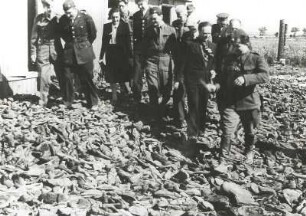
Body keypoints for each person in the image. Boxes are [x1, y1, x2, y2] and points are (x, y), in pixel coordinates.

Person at [213, 35, 269, 163]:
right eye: (233, 45)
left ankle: (249, 150)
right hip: (230, 102)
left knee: (249, 131)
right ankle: (223, 160)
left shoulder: (256, 58)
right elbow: (221, 77)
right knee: (227, 131)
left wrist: (246, 79)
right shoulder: (228, 59)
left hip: (248, 102)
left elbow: (265, 76)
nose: (234, 48)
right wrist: (215, 86)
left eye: (237, 45)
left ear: (247, 44)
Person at [58, 0, 99, 109]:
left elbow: (93, 34)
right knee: (67, 76)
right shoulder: (63, 20)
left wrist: (84, 45)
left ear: (75, 8)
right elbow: (63, 35)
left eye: (69, 12)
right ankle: (67, 101)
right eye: (66, 12)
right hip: (69, 53)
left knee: (87, 77)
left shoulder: (86, 18)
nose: (68, 15)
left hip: (84, 52)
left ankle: (93, 102)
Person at [179, 22, 216, 138]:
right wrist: (179, 79)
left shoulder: (213, 46)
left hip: (206, 80)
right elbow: (183, 63)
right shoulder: (190, 45)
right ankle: (192, 133)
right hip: (193, 79)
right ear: (199, 32)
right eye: (204, 33)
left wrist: (214, 70)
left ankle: (201, 129)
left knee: (203, 105)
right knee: (193, 104)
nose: (207, 35)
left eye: (209, 33)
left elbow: (214, 63)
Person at [142, 7, 176, 119]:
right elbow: (144, 47)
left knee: (166, 89)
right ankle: (154, 113)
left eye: (155, 19)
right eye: (151, 19)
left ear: (161, 17)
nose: (153, 21)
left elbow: (175, 50)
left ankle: (163, 110)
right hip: (151, 60)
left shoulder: (170, 30)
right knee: (152, 87)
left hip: (165, 60)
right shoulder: (148, 30)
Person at [30, 0, 64, 106]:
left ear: (53, 6)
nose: (48, 9)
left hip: (56, 48)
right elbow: (34, 37)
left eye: (49, 6)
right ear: (43, 6)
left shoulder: (59, 18)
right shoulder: (38, 18)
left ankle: (66, 98)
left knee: (62, 74)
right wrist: (33, 52)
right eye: (45, 6)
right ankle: (43, 101)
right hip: (43, 49)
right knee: (44, 76)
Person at [100, 8, 132, 104]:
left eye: (117, 17)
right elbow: (103, 43)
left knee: (123, 74)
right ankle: (114, 95)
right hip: (111, 52)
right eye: (113, 17)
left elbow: (128, 43)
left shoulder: (125, 26)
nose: (115, 19)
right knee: (112, 75)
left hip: (122, 53)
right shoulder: (106, 27)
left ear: (120, 17)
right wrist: (101, 57)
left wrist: (130, 56)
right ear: (111, 17)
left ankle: (125, 93)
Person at [172, 5, 189, 128]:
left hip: (190, 64)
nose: (180, 18)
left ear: (186, 15)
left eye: (182, 15)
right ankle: (180, 118)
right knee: (179, 91)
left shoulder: (192, 27)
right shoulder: (175, 26)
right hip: (178, 63)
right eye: (178, 16)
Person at [131, 0, 151, 103]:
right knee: (137, 74)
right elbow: (134, 33)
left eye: (141, 3)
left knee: (151, 75)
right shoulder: (136, 15)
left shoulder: (153, 12)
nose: (140, 6)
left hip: (151, 49)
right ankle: (137, 98)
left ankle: (154, 100)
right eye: (138, 4)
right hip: (139, 50)